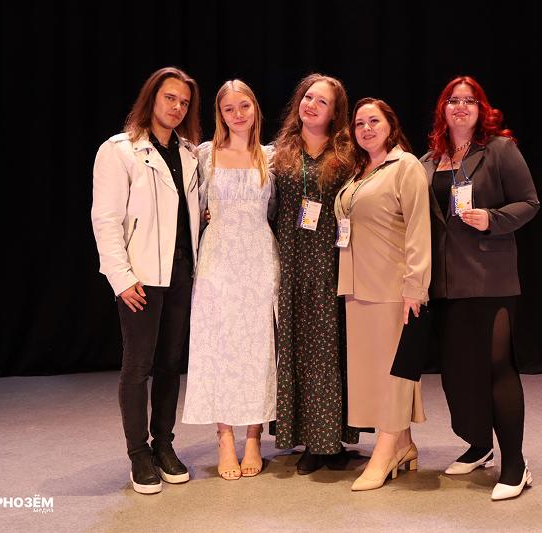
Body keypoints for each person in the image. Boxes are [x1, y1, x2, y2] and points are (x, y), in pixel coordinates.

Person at [420, 75, 540, 500]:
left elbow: (529, 202)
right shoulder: (429, 160)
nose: (461, 106)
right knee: (458, 374)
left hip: (490, 277)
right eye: (453, 100)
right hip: (444, 283)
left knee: (496, 367)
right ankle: (479, 445)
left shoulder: (500, 150)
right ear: (443, 109)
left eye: (469, 100)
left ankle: (516, 464)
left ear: (481, 109)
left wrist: (493, 219)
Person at [91, 66, 202, 494]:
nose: (177, 107)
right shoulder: (119, 150)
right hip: (140, 278)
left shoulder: (189, 154)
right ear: (152, 98)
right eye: (170, 98)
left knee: (171, 364)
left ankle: (164, 445)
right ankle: (139, 453)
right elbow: (106, 220)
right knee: (138, 366)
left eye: (184, 102)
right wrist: (121, 278)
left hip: (181, 273)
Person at [181, 80, 279, 481]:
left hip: (258, 258)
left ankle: (254, 437)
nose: (238, 115)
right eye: (229, 109)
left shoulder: (270, 157)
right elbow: (190, 206)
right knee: (219, 347)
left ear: (255, 108)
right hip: (218, 261)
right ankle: (224, 437)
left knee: (258, 347)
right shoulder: (204, 155)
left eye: (244, 106)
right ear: (219, 114)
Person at [334, 98, 431, 491]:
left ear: (391, 124)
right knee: (375, 374)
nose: (366, 129)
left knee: (394, 373)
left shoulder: (405, 166)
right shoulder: (360, 172)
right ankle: (404, 444)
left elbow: (419, 229)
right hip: (358, 288)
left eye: (374, 121)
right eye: (359, 123)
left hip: (393, 287)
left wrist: (415, 288)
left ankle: (386, 450)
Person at [270, 73, 359, 474]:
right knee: (296, 348)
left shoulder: (348, 155)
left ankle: (330, 440)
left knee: (328, 349)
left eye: (322, 101)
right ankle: (308, 438)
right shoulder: (279, 153)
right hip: (291, 263)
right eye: (308, 97)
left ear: (335, 113)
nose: (311, 105)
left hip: (330, 262)